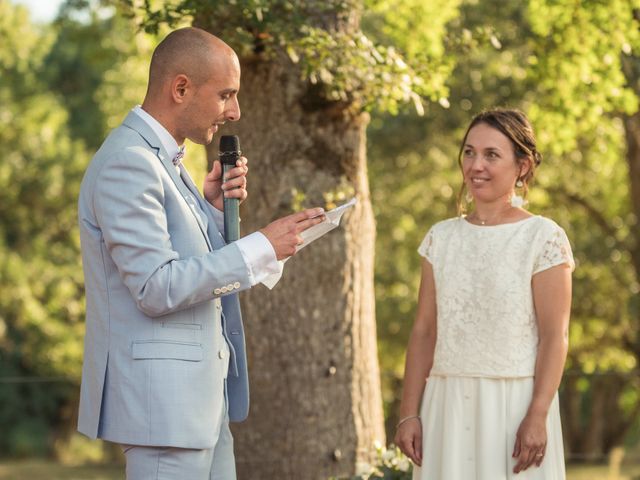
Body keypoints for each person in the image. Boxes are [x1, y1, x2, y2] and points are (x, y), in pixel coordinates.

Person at [77, 27, 325, 480]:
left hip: (201, 408)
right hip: (164, 414)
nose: (235, 112)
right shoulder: (128, 161)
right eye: (226, 95)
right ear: (181, 88)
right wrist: (260, 247)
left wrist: (211, 212)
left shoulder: (165, 162)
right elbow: (156, 286)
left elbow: (186, 261)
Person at [394, 108, 574, 479]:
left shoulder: (544, 237)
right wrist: (409, 413)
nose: (476, 165)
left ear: (522, 166)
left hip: (516, 408)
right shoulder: (439, 239)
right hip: (446, 406)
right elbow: (424, 332)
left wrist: (537, 415)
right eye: (469, 152)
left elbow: (556, 337)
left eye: (492, 155)